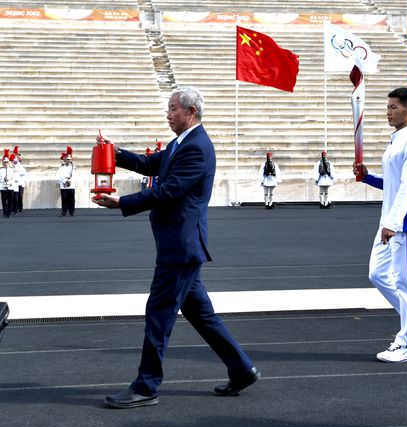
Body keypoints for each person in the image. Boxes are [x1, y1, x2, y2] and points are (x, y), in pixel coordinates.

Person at [93, 87, 259, 409]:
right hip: (180, 246)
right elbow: (149, 164)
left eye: (172, 109)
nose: (167, 114)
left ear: (190, 112)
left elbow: (168, 191)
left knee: (159, 315)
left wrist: (122, 202)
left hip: (180, 249)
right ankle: (241, 368)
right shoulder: (181, 143)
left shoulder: (197, 148)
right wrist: (114, 152)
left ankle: (146, 386)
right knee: (202, 315)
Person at [353, 87, 407, 363]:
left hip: (406, 224)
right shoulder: (395, 143)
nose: (388, 112)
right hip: (390, 222)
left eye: (393, 107)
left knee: (406, 284)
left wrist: (393, 222)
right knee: (377, 274)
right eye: (388, 107)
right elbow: (393, 183)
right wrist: (368, 177)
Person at [57, 146, 75, 217]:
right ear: (64, 160)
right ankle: (64, 212)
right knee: (64, 199)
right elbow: (59, 176)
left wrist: (70, 181)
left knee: (72, 200)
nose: (68, 161)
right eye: (67, 159)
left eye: (69, 159)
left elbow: (74, 175)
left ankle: (71, 212)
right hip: (64, 186)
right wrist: (65, 181)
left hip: (71, 186)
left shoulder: (72, 168)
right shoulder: (60, 168)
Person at [12, 146, 27, 213]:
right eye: (15, 157)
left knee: (20, 196)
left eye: (17, 158)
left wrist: (18, 173)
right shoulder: (12, 165)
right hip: (13, 183)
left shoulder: (21, 165)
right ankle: (14, 208)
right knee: (14, 196)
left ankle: (20, 207)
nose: (16, 159)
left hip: (20, 182)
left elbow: (24, 173)